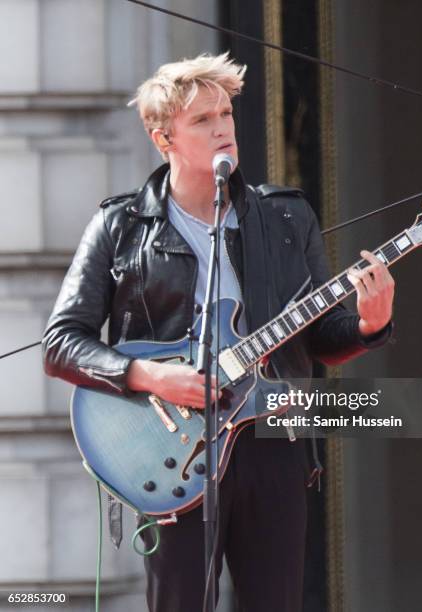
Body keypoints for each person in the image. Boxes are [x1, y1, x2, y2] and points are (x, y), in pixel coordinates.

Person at [42, 53, 395, 612]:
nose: (223, 128)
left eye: (226, 112)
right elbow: (62, 344)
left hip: (272, 442)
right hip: (172, 451)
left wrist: (371, 324)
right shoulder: (121, 226)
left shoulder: (285, 217)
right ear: (165, 140)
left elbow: (324, 334)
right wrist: (153, 376)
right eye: (203, 119)